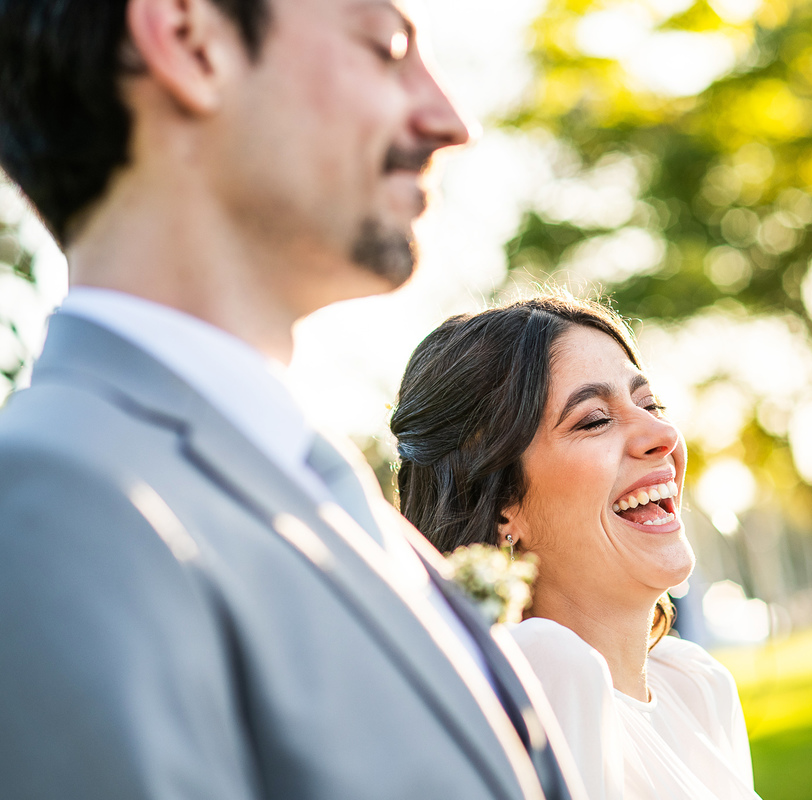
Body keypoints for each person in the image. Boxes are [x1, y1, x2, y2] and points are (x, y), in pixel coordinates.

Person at [0, 1, 586, 799]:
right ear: (189, 41)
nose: (451, 121)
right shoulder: (59, 506)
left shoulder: (310, 473)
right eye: (387, 48)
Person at [390, 294, 762, 800]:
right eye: (594, 420)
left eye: (650, 404)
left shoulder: (697, 685)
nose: (663, 435)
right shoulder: (542, 671)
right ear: (502, 501)